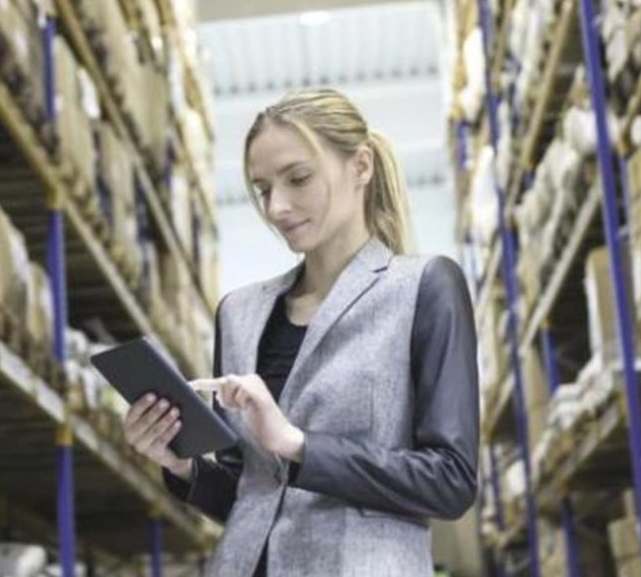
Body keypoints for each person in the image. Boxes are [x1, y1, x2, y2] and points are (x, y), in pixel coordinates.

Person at [123, 88, 479, 576]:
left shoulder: (423, 287)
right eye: (263, 189)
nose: (277, 207)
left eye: (298, 179)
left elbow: (450, 480)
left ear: (361, 166)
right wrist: (181, 463)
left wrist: (297, 444)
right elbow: (248, 491)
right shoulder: (238, 312)